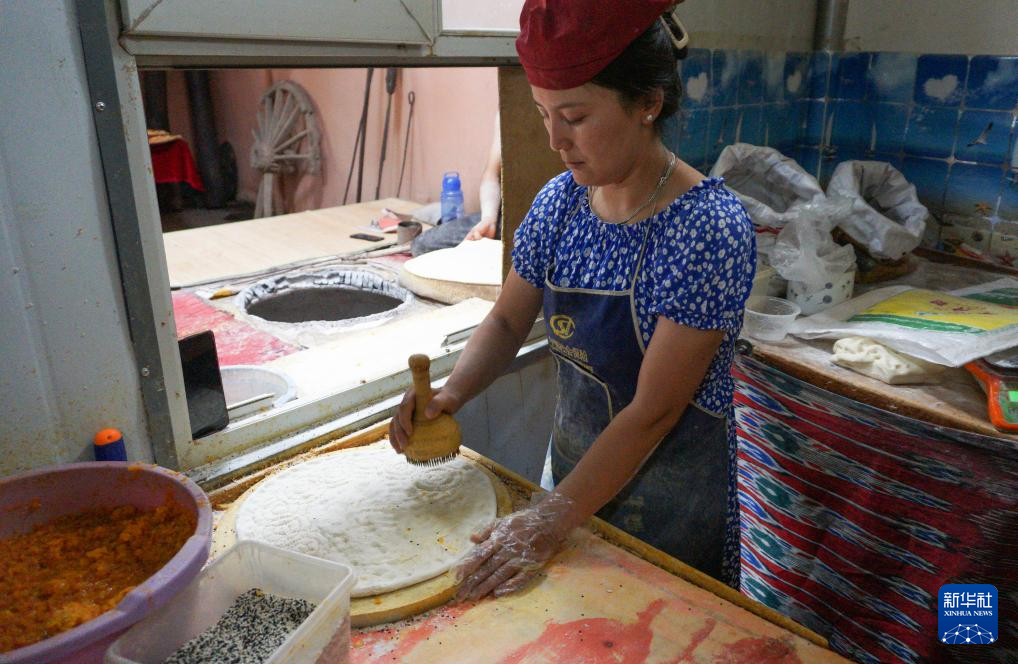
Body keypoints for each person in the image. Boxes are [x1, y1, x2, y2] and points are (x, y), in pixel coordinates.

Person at [389, 0, 756, 600]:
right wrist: (451, 394)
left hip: (672, 505)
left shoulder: (707, 229)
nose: (555, 140)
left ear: (648, 103)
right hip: (573, 481)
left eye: (575, 117)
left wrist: (550, 520)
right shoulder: (559, 203)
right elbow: (506, 321)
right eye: (543, 114)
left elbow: (653, 411)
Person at [410, 114, 502, 256]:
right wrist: (489, 219)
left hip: (536, 222)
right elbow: (491, 174)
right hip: (504, 219)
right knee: (422, 245)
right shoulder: (508, 110)